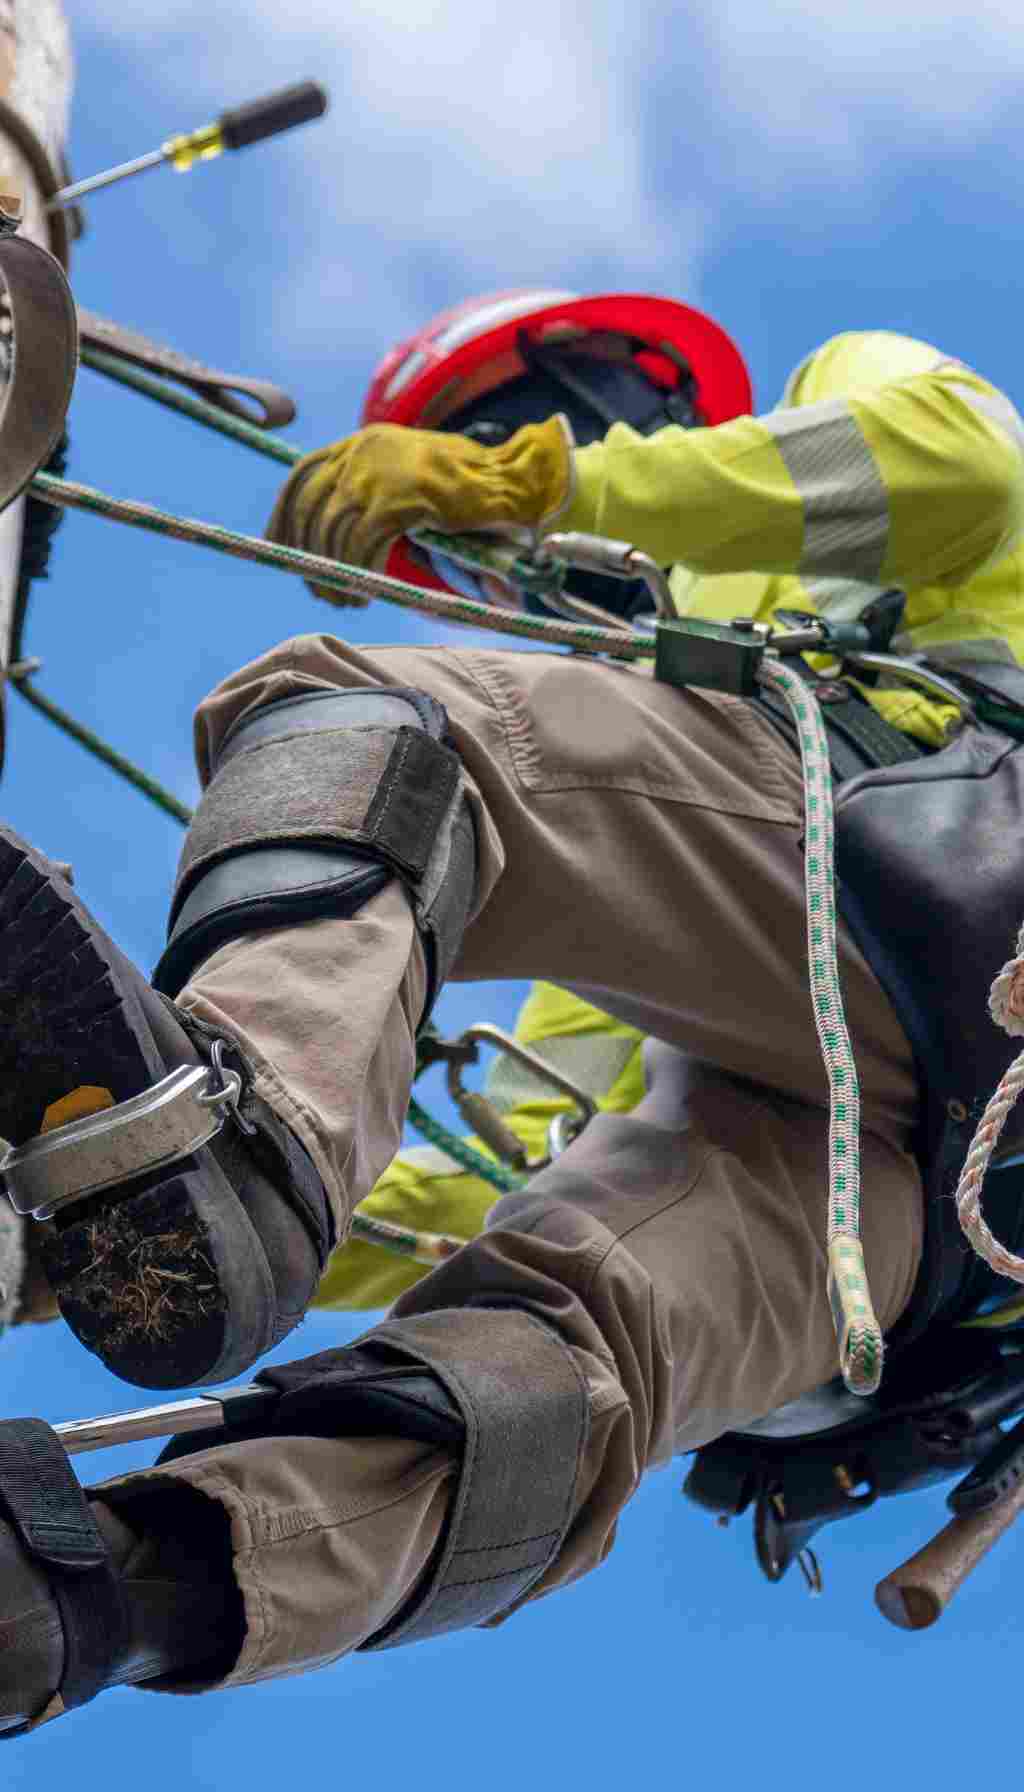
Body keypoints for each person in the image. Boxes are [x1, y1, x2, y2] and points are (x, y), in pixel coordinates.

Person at [4, 288, 1024, 1733]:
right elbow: (506, 1131)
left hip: (964, 854)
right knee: (561, 1362)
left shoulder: (825, 427)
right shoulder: (670, 786)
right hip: (939, 1215)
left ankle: (224, 1130)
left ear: (621, 392)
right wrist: (84, 1231)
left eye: (491, 437)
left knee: (373, 734)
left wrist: (547, 486)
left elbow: (958, 466)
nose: (488, 565)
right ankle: (103, 1590)